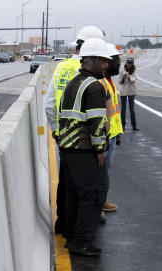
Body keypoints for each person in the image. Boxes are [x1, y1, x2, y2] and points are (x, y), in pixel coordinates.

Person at [46, 25, 104, 239]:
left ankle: (63, 223)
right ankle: (79, 233)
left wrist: (56, 129)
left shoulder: (61, 68)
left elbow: (50, 103)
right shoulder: (95, 73)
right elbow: (98, 111)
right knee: (85, 188)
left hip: (63, 137)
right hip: (85, 141)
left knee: (65, 183)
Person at [57, 38, 114, 257]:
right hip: (84, 150)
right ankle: (81, 242)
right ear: (91, 61)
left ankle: (72, 237)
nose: (106, 66)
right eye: (103, 61)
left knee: (74, 195)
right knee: (94, 195)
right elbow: (97, 121)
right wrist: (100, 149)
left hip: (68, 149)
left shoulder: (73, 83)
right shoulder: (94, 86)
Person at [100, 48, 123, 216]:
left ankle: (101, 201)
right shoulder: (101, 83)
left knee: (105, 171)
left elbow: (115, 111)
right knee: (99, 171)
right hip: (104, 136)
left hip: (113, 134)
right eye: (114, 60)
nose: (118, 63)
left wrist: (118, 132)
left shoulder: (110, 81)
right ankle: (97, 205)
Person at [119, 57, 138, 131]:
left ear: (133, 64)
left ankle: (134, 125)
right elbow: (119, 82)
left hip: (131, 91)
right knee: (123, 109)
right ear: (126, 63)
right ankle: (122, 125)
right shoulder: (122, 71)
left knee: (132, 109)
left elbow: (135, 78)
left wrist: (129, 77)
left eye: (131, 63)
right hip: (123, 91)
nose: (129, 65)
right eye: (128, 63)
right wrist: (123, 78)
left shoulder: (135, 70)